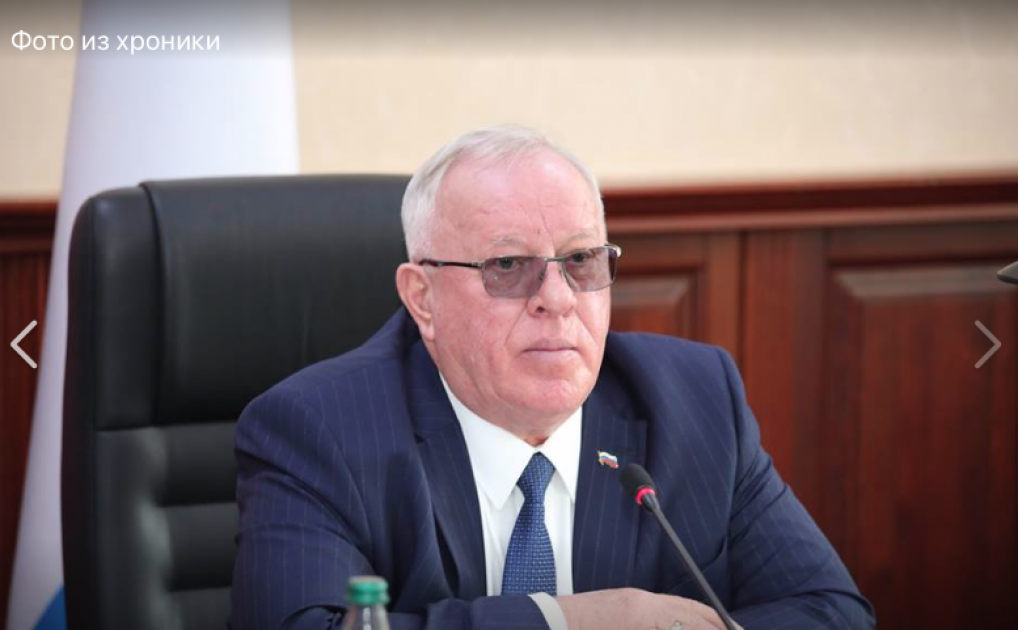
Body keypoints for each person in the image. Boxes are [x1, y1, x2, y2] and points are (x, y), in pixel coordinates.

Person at [230, 125, 875, 630]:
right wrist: (568, 621)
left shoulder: (697, 400)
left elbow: (830, 611)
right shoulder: (318, 430)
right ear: (422, 298)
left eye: (581, 261)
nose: (559, 299)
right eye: (509, 266)